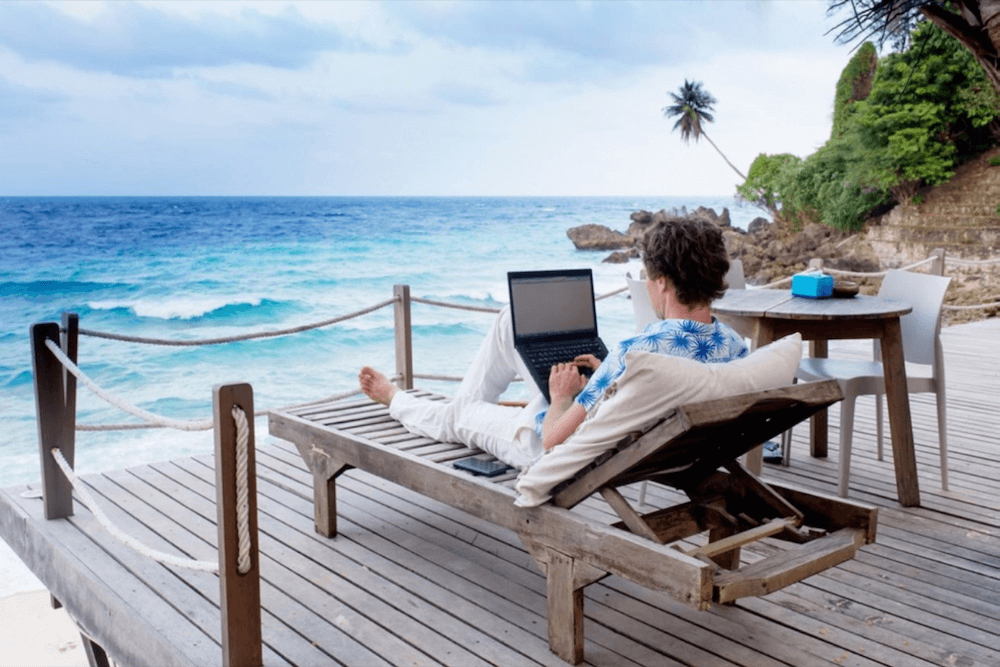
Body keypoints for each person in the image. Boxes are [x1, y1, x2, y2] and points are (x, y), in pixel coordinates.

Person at [359, 216, 748, 470]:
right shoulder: (735, 347)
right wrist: (607, 379)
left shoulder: (639, 350)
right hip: (643, 434)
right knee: (513, 319)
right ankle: (451, 402)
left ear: (661, 282)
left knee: (459, 415)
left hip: (557, 445)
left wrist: (562, 395)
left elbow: (553, 439)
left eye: (648, 277)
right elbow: (655, 387)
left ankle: (396, 400)